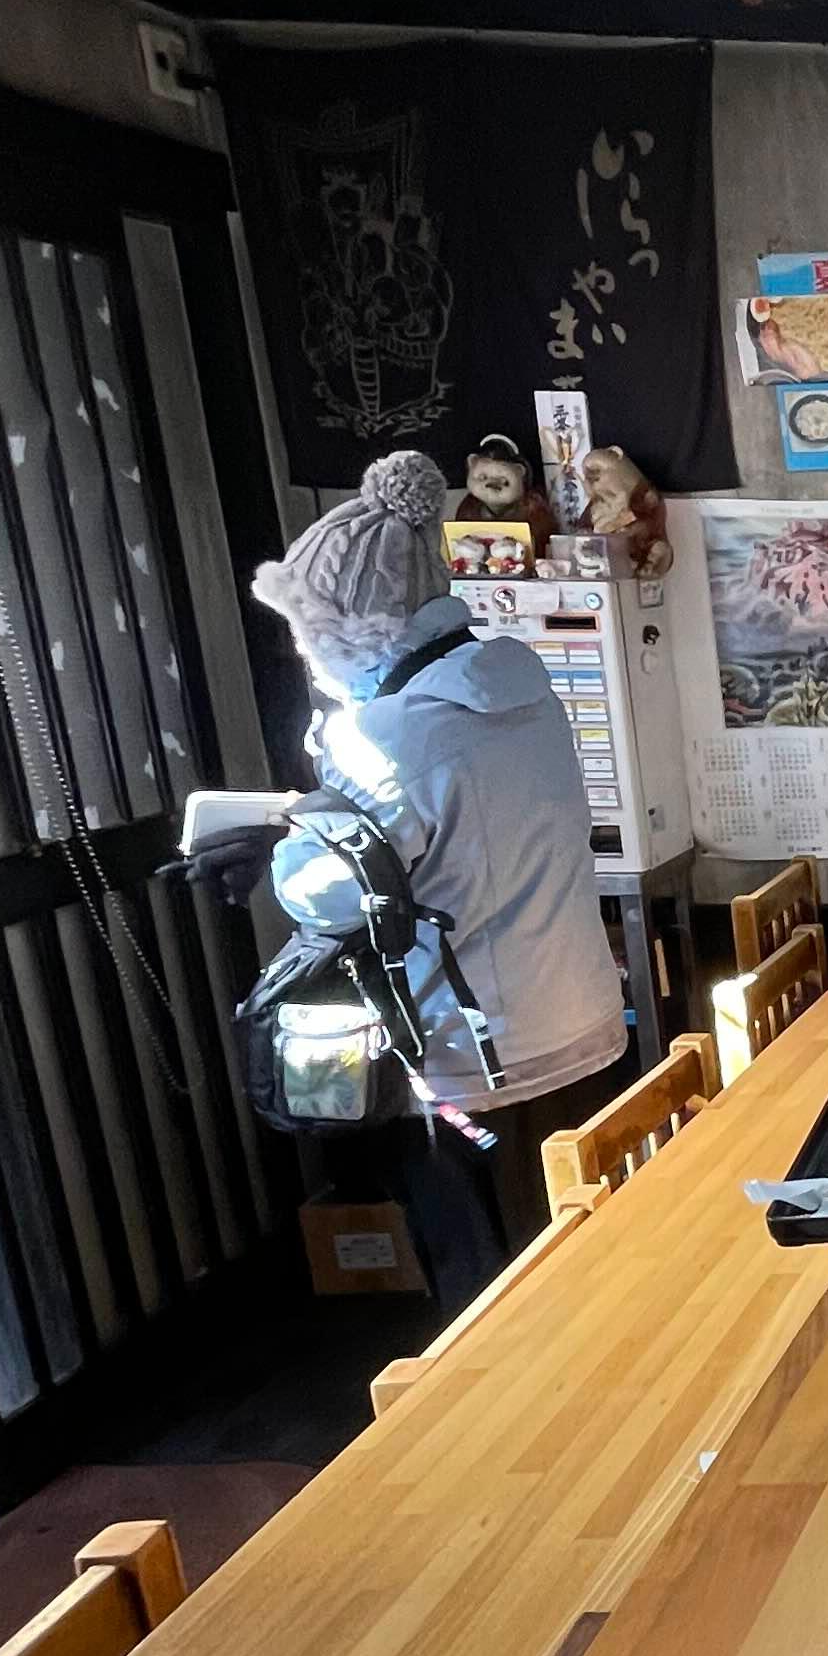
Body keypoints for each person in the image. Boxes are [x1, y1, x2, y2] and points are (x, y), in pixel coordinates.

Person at [253, 451, 629, 1307]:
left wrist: (290, 837)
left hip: (479, 1060)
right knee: (591, 1268)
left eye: (308, 633)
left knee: (494, 1295)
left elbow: (327, 894)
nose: (306, 655)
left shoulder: (388, 735)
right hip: (583, 1025)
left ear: (353, 632)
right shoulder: (525, 693)